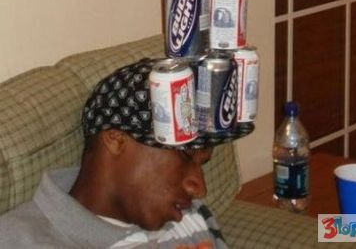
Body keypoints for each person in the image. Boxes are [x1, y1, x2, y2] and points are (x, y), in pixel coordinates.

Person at [0, 59, 227, 248]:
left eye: (202, 164)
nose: (199, 188)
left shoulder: (191, 216)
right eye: (185, 155)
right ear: (116, 139)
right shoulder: (21, 240)